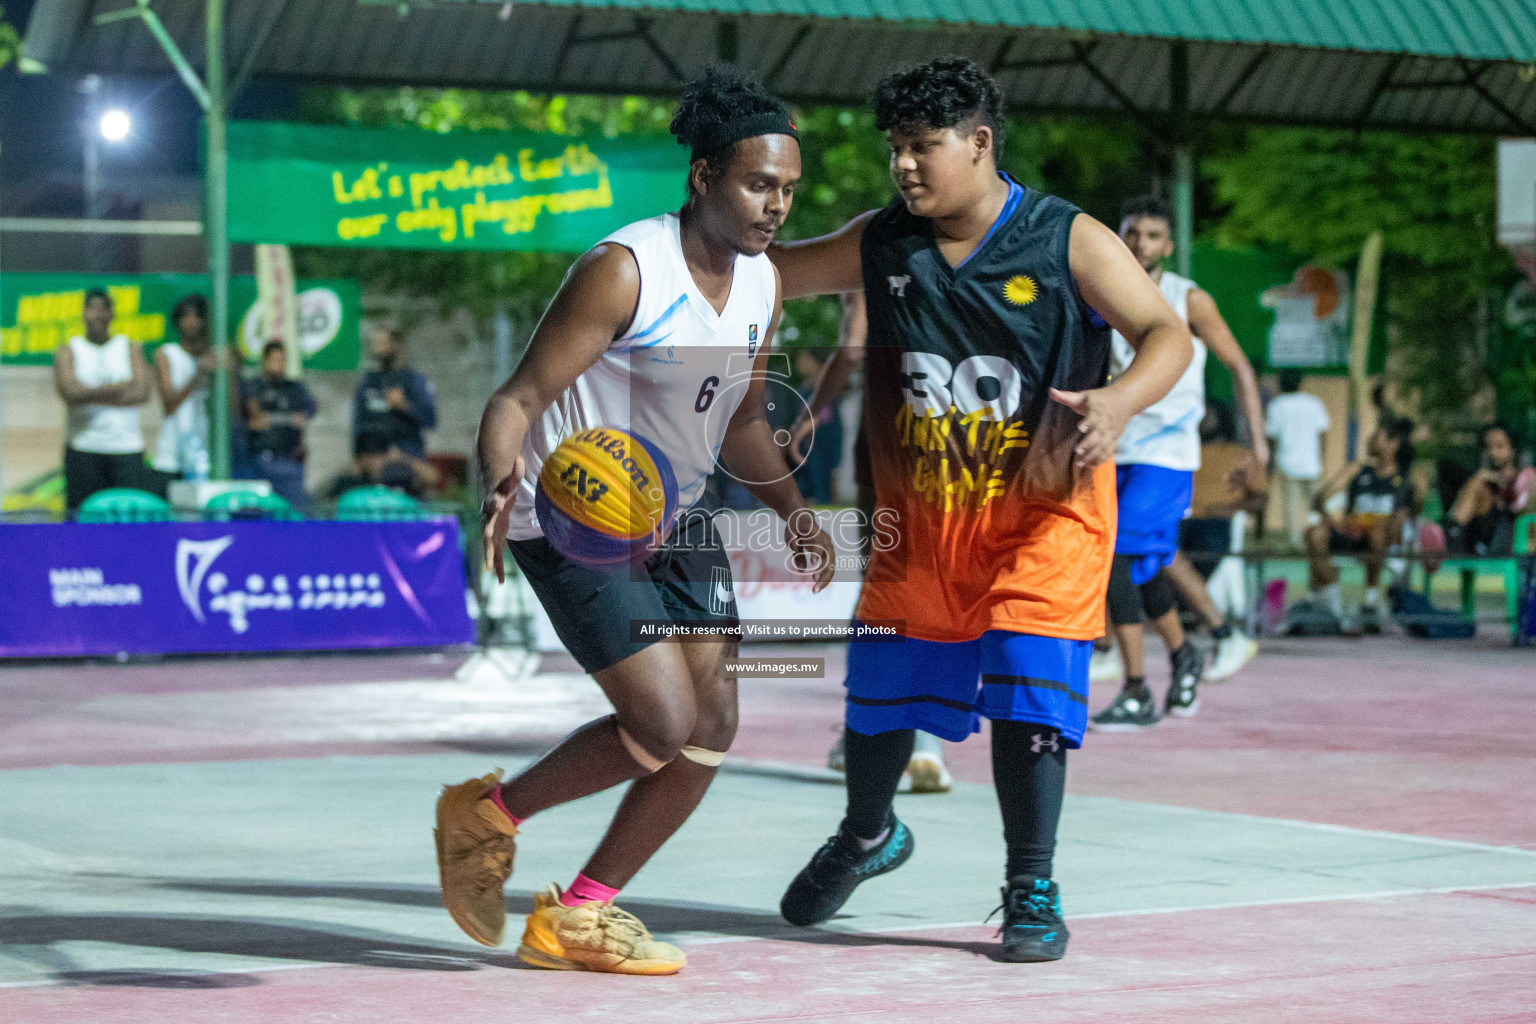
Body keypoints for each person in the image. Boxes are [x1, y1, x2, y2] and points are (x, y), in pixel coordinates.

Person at [767, 58, 1192, 962]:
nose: (906, 167)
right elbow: (767, 275)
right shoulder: (882, 241)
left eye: (925, 147)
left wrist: (1118, 402)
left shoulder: (1066, 238)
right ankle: (868, 834)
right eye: (896, 149)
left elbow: (1168, 333)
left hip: (1046, 515)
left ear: (980, 143)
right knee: (880, 698)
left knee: (1030, 689)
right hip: (923, 525)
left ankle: (1029, 885)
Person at [439, 66, 835, 977]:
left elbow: (740, 417)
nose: (775, 205)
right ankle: (488, 816)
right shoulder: (625, 271)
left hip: (681, 511)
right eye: (757, 184)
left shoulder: (764, 285)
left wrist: (795, 515)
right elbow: (517, 396)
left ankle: (579, 914)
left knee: (713, 721)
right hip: (578, 517)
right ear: (704, 178)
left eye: (786, 189)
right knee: (660, 721)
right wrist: (497, 482)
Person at [1089, 196, 1269, 731]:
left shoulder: (1188, 299)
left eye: (1151, 235)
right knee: (1147, 564)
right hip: (1113, 446)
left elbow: (1239, 367)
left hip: (1166, 454)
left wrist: (1257, 447)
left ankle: (1137, 688)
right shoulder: (1101, 292)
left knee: (1116, 552)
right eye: (1132, 232)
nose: (1140, 243)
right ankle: (1186, 650)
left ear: (1167, 244)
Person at [799, 293, 956, 794]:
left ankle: (860, 731)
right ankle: (929, 746)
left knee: (880, 593)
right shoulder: (965, 263)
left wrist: (813, 411)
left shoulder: (873, 262)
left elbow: (850, 351)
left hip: (890, 445)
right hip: (957, 443)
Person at [1305, 419, 1417, 633]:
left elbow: (1400, 520)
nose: (1370, 440)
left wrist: (1369, 525)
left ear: (1394, 444)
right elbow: (1319, 499)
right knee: (1315, 534)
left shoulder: (1402, 480)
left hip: (1382, 539)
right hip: (1352, 533)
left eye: (1378, 436)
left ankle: (1370, 601)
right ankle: (1335, 610)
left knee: (1377, 532)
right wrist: (1335, 519)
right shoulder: (1358, 471)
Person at [53, 288, 152, 513]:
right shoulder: (69, 350)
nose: (98, 315)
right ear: (83, 314)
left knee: (129, 525)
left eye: (103, 309)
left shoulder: (130, 347)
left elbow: (142, 393)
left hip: (127, 449)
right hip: (83, 449)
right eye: (92, 309)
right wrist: (120, 388)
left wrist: (88, 393)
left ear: (112, 314)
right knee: (80, 520)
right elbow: (70, 394)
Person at [242, 340, 317, 513]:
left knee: (297, 513)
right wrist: (288, 419)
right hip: (258, 463)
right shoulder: (254, 387)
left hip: (288, 461)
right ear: (265, 361)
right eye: (274, 360)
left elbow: (308, 413)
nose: (278, 366)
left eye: (282, 361)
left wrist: (275, 419)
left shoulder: (294, 388)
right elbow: (254, 416)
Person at [150, 294, 214, 493]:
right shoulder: (167, 354)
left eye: (197, 316)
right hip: (171, 457)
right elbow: (169, 403)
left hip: (206, 458)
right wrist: (198, 375)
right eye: (186, 317)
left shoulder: (216, 358)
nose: (192, 322)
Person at [1445, 424, 1534, 556]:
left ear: (1512, 449)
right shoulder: (1483, 482)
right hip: (1485, 536)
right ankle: (1449, 538)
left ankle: (1449, 541)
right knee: (1476, 485)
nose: (1493, 453)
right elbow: (1460, 513)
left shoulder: (1524, 478)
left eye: (1499, 446)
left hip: (1512, 534)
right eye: (1489, 448)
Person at [352, 324, 438, 458]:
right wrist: (359, 455)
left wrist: (404, 406)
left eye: (382, 343)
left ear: (397, 345)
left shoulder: (416, 380)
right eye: (375, 343)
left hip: (409, 456)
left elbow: (430, 420)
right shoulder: (368, 382)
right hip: (377, 458)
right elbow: (358, 424)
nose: (377, 349)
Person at [1267, 369, 1330, 547]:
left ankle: (1294, 543)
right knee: (1315, 507)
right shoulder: (1313, 403)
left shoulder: (1277, 405)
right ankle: (1317, 540)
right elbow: (1323, 433)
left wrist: (1270, 464)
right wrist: (1321, 459)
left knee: (1291, 509)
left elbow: (1271, 437)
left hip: (1288, 464)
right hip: (1312, 464)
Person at [325, 430, 439, 501]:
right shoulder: (348, 483)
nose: (375, 463)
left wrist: (403, 457)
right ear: (359, 459)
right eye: (369, 457)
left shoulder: (400, 480)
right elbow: (329, 508)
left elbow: (432, 478)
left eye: (379, 456)